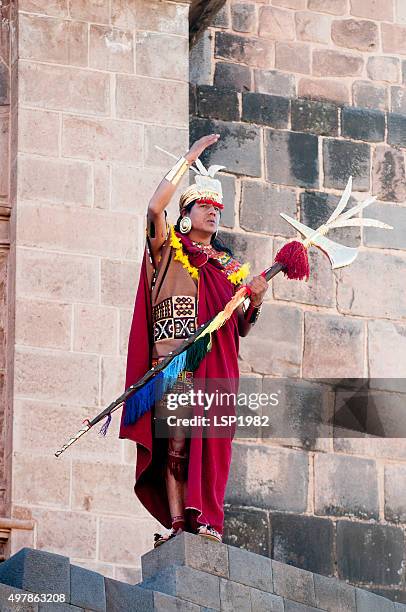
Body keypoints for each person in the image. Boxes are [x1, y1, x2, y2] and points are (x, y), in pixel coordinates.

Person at [119, 134, 268, 548]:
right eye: (205, 206)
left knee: (214, 448)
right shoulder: (168, 249)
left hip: (218, 366)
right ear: (186, 213)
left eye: (218, 209)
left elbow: (242, 326)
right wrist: (189, 158)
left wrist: (255, 299)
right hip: (175, 362)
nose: (213, 213)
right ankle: (178, 524)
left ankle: (207, 521)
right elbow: (153, 207)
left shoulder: (230, 267)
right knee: (176, 449)